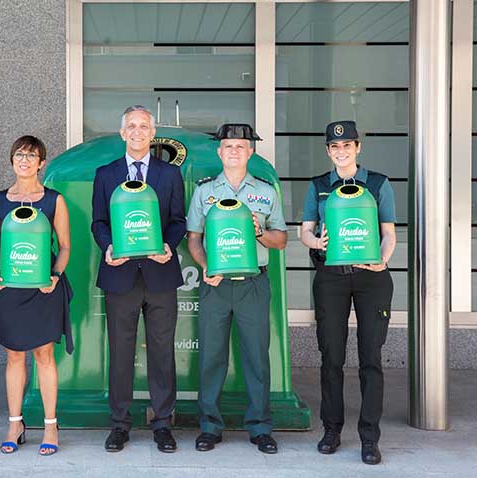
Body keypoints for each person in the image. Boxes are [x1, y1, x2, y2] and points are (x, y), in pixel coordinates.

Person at [186, 124, 287, 454]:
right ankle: (209, 426)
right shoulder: (204, 191)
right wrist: (205, 268)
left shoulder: (265, 192)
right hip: (216, 284)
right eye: (228, 146)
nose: (234, 151)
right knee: (212, 356)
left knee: (257, 356)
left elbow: (281, 240)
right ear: (219, 152)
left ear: (250, 152)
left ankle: (259, 428)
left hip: (253, 283)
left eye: (240, 146)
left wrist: (259, 232)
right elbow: (194, 240)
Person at [300, 120, 396, 465]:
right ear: (328, 151)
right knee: (331, 358)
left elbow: (389, 233)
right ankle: (332, 430)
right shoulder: (319, 186)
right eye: (334, 147)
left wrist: (382, 261)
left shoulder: (378, 184)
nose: (341, 152)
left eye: (347, 146)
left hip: (371, 280)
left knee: (370, 358)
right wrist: (317, 242)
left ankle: (369, 437)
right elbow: (305, 231)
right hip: (331, 278)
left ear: (358, 148)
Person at [91, 105, 186, 453]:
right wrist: (108, 246)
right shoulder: (105, 174)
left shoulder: (170, 174)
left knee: (162, 352)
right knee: (120, 352)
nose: (136, 131)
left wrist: (168, 244)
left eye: (143, 126)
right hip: (120, 275)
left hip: (160, 274)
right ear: (122, 133)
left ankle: (162, 423)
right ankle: (119, 425)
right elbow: (98, 223)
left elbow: (178, 221)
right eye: (131, 125)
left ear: (152, 132)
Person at [0, 135, 73, 456]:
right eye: (19, 154)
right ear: (12, 160)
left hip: (43, 288)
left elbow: (64, 246)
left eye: (31, 155)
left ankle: (51, 425)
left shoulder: (54, 200)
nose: (24, 160)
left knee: (44, 355)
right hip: (9, 290)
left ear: (41, 163)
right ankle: (15, 423)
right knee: (13, 356)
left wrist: (55, 275)